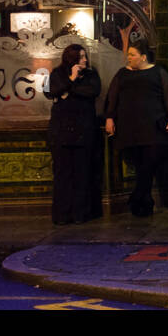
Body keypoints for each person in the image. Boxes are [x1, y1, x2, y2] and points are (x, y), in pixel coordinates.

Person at [104, 42, 168, 217]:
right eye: (128, 55)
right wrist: (109, 117)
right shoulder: (122, 74)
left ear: (143, 57)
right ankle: (143, 202)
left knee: (149, 163)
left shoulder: (158, 72)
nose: (129, 58)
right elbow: (113, 97)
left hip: (153, 126)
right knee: (139, 165)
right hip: (129, 127)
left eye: (132, 55)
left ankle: (137, 199)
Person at [45, 44, 101, 225]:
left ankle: (80, 214)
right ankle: (62, 215)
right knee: (63, 175)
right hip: (61, 133)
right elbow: (50, 91)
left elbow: (92, 91)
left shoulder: (92, 75)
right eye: (81, 57)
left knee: (82, 174)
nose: (85, 60)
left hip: (84, 132)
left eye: (85, 56)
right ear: (72, 59)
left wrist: (66, 92)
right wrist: (71, 79)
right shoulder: (57, 73)